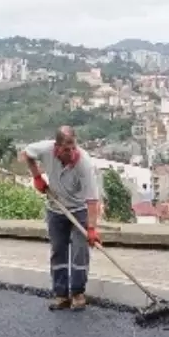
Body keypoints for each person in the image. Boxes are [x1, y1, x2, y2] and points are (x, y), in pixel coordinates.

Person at [22, 126, 102, 311]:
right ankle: (61, 295)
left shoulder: (85, 163)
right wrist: (37, 177)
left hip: (80, 210)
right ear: (57, 147)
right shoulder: (45, 149)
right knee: (58, 251)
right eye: (67, 149)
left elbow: (92, 200)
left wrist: (91, 228)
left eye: (74, 147)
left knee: (79, 253)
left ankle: (77, 293)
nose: (72, 152)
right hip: (56, 209)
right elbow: (26, 154)